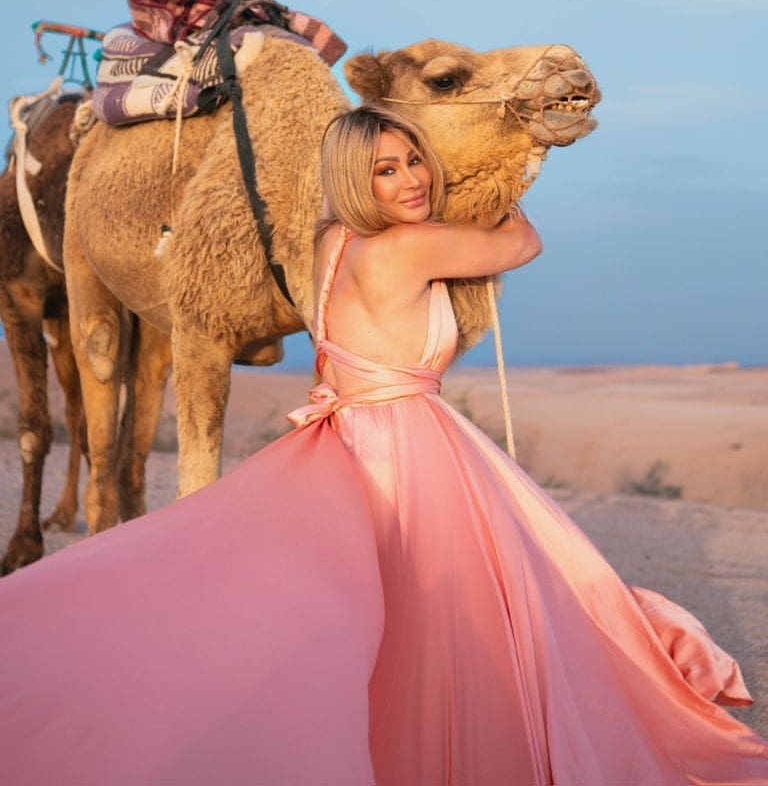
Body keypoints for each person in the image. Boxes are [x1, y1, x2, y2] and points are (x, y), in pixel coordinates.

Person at [0, 106, 766, 786]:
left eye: (415, 162)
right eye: (387, 169)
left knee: (384, 613)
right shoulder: (407, 247)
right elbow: (522, 243)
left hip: (347, 435)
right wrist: (501, 181)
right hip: (405, 444)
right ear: (354, 179)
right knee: (452, 614)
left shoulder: (331, 242)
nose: (411, 181)